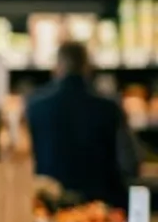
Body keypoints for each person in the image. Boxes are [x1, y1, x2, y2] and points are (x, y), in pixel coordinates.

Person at [25, 41, 138, 208]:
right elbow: (130, 163)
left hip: (51, 205)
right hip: (102, 208)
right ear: (87, 67)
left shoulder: (34, 107)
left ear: (57, 67)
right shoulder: (109, 107)